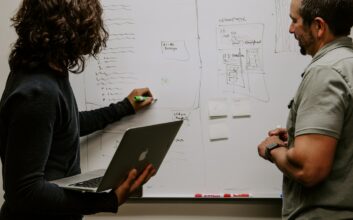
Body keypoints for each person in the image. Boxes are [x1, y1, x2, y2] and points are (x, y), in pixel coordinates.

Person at [0, 0, 157, 219]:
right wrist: (108, 200)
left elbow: (67, 125)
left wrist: (125, 107)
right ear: (73, 29)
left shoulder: (47, 73)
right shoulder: (37, 91)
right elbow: (24, 192)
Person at [258, 0, 353, 219]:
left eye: (294, 21)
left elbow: (308, 170)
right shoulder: (347, 63)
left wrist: (272, 149)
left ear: (318, 27)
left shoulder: (325, 72)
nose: (291, 29)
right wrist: (296, 138)